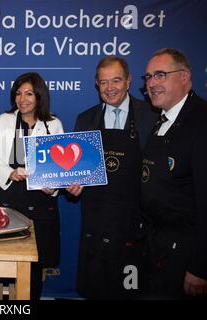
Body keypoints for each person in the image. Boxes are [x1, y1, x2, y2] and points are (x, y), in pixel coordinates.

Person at [67, 57, 158, 299]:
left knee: (131, 291)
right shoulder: (85, 119)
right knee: (95, 288)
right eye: (104, 82)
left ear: (128, 81)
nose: (110, 88)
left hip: (135, 223)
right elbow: (77, 171)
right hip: (95, 221)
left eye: (116, 80)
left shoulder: (152, 116)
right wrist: (74, 185)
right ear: (96, 85)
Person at [0, 72, 63, 299]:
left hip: (40, 200)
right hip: (8, 196)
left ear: (39, 96)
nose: (22, 99)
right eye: (18, 93)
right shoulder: (3, 121)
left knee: (36, 264)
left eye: (29, 93)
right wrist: (10, 172)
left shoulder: (53, 124)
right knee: (3, 260)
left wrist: (52, 186)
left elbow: (60, 168)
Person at [140, 48, 207, 298]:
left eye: (160, 75)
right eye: (148, 77)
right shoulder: (161, 120)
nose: (152, 83)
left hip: (186, 254)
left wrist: (201, 266)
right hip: (158, 247)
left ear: (185, 77)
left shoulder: (201, 122)